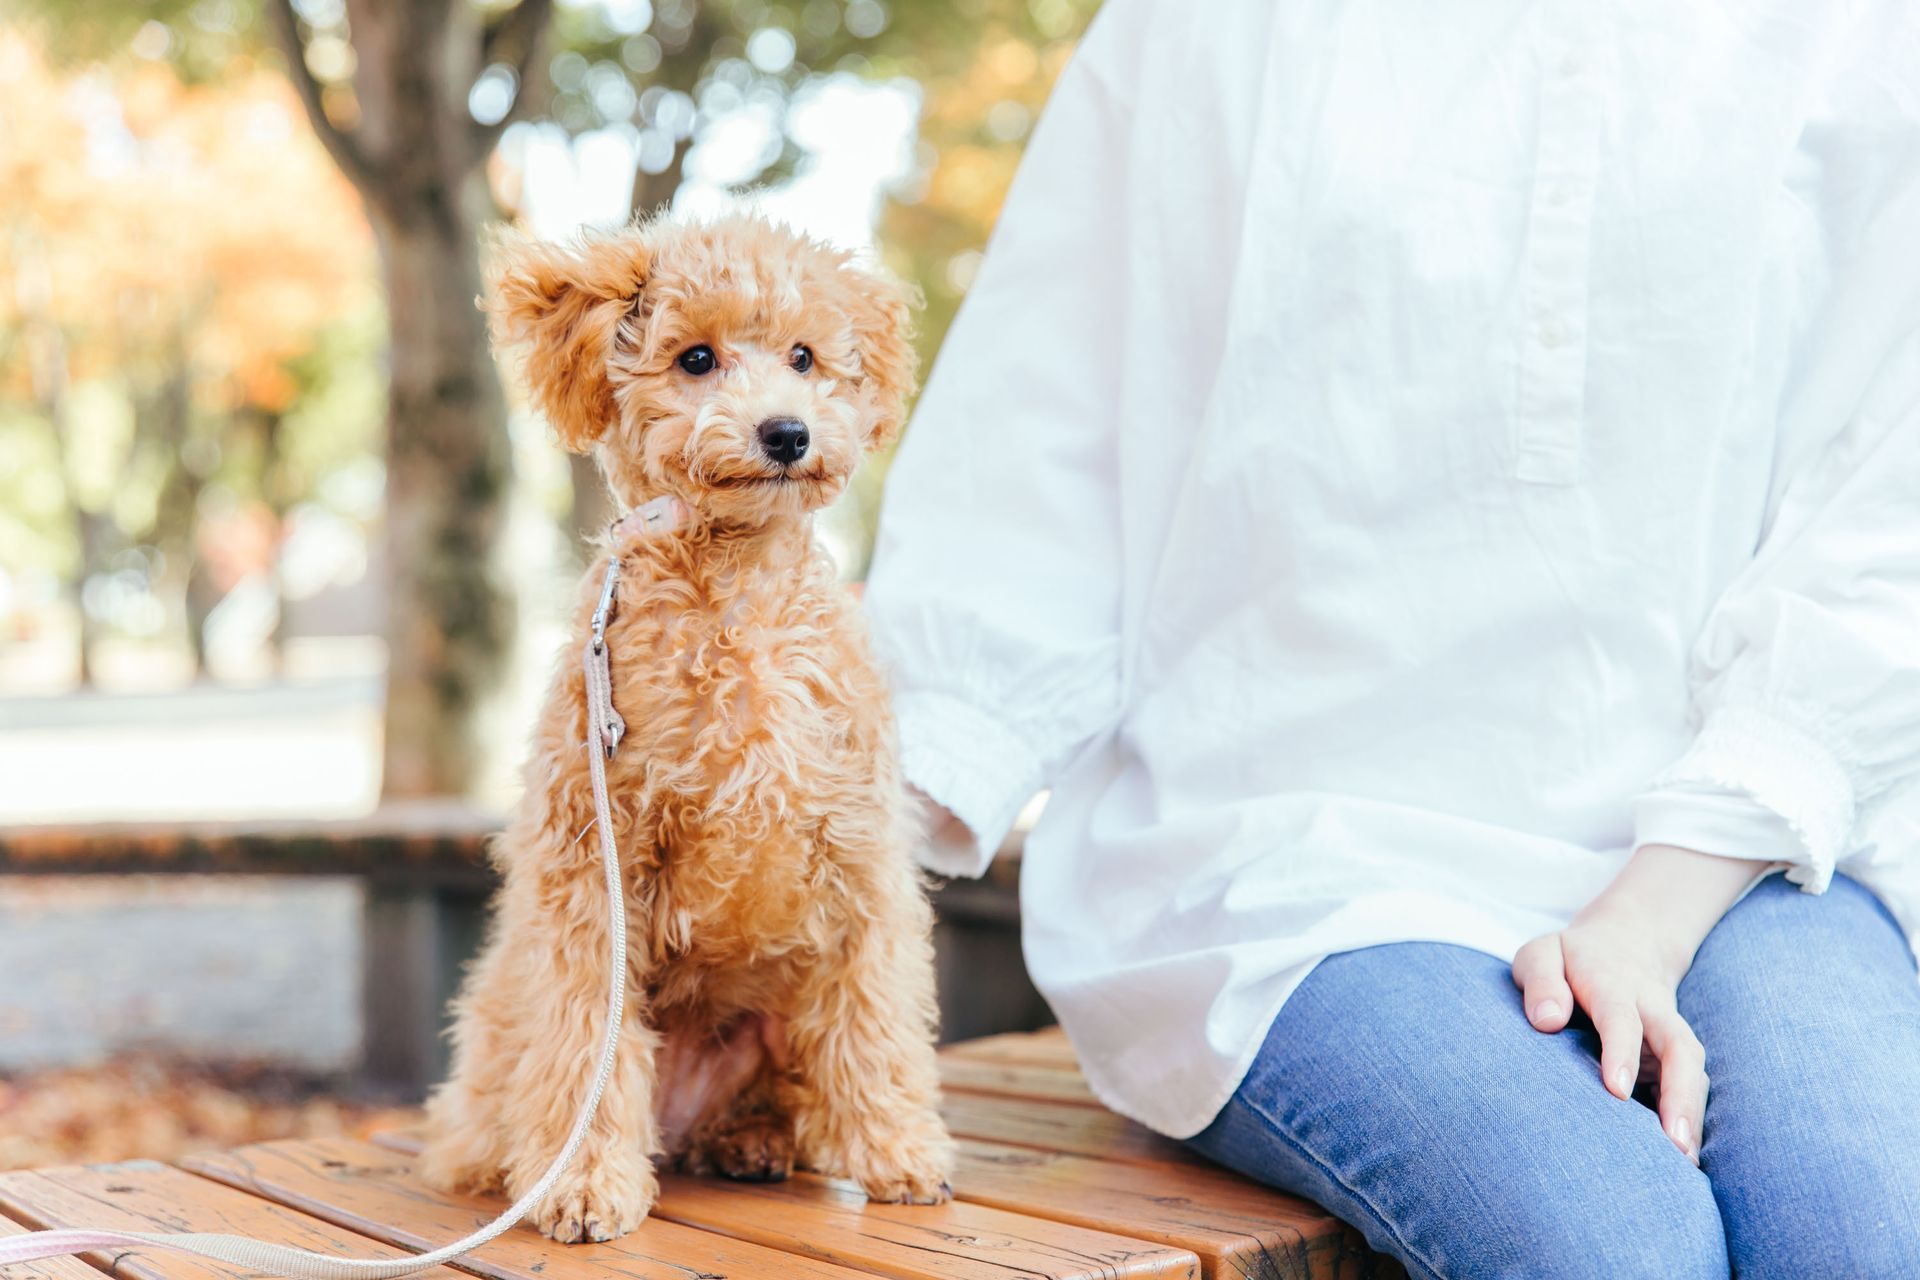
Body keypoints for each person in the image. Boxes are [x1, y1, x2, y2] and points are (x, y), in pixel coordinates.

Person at [860, 2, 1920, 1277]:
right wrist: (811, 900)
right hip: (1296, 859)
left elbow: (1886, 511)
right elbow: (1035, 469)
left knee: (1865, 1228)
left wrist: (1654, 907)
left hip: (1755, 845)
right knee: (1606, 1243)